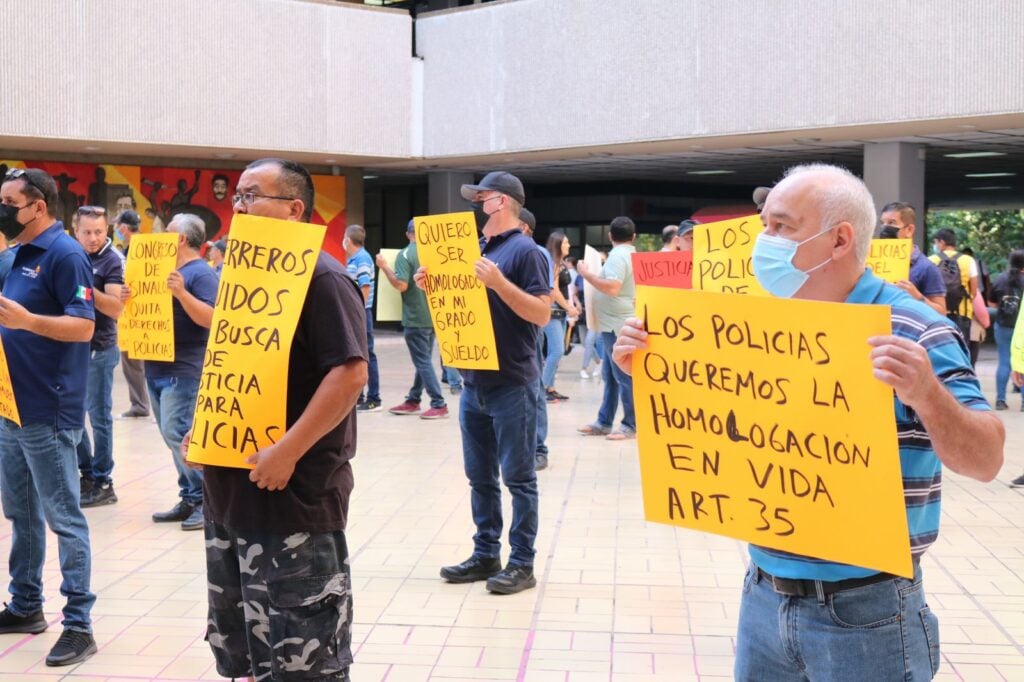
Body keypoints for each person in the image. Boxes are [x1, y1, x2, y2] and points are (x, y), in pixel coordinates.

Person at [614, 163, 1004, 681]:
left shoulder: (914, 329)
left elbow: (987, 459)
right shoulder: (748, 322)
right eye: (764, 226)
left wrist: (927, 393)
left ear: (839, 240)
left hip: (869, 610)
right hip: (762, 594)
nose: (764, 240)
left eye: (781, 227)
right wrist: (650, 368)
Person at [199, 158, 367, 680]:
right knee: (244, 654)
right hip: (229, 495)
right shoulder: (241, 277)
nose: (240, 207)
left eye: (252, 196)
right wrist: (206, 424)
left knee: (302, 658)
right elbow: (235, 365)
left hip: (292, 502)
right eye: (238, 198)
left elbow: (349, 374)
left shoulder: (324, 277)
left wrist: (288, 451)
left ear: (294, 209)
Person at [418, 171, 550, 594]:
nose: (477, 204)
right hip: (472, 381)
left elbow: (542, 314)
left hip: (513, 381)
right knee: (480, 477)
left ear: (502, 202)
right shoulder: (473, 249)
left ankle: (522, 563)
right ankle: (485, 553)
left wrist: (498, 282)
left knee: (519, 478)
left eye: (483, 197)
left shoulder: (526, 251)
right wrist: (432, 286)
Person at [0, 168, 99, 665]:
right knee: (21, 512)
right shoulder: (14, 254)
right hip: (10, 406)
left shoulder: (66, 255)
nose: (3, 209)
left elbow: (83, 328)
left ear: (38, 206)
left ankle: (79, 624)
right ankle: (25, 605)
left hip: (49, 408)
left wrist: (29, 321)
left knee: (64, 517)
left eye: (9, 202)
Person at [136, 213, 217, 531]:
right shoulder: (163, 270)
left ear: (181, 239)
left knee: (178, 432)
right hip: (156, 366)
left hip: (184, 369)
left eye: (167, 232)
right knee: (171, 435)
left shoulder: (200, 274)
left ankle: (205, 499)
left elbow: (212, 318)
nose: (161, 237)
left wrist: (182, 293)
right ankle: (190, 495)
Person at [74, 206, 126, 508]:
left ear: (107, 230)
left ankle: (103, 479)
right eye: (87, 232)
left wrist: (83, 290)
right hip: (71, 346)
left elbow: (115, 308)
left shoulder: (111, 259)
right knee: (72, 415)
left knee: (98, 416)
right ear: (75, 230)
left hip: (99, 349)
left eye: (99, 232)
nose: (93, 238)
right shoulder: (72, 253)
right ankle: (88, 474)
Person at [377, 219, 449, 420]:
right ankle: (413, 399)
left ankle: (438, 402)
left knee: (423, 361)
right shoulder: (433, 254)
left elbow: (401, 285)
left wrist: (384, 267)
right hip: (433, 316)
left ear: (408, 233)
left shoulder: (406, 253)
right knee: (423, 360)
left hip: (415, 317)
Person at [577, 216, 637, 440]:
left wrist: (587, 274)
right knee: (611, 375)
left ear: (610, 236)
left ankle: (630, 424)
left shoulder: (618, 256)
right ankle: (604, 421)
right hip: (615, 323)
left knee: (622, 376)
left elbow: (612, 287)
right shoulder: (630, 255)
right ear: (634, 236)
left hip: (616, 324)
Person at [114, 209, 152, 418]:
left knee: (133, 362)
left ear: (123, 228)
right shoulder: (145, 248)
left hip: (137, 315)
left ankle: (141, 404)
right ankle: (142, 404)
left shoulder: (134, 251)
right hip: (145, 314)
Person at [879, 202, 947, 316]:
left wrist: (917, 296)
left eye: (891, 223)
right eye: (882, 223)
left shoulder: (927, 268)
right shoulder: (873, 263)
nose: (885, 228)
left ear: (909, 230)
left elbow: (941, 312)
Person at [344, 224, 382, 412]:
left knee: (367, 354)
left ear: (348, 240)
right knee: (358, 353)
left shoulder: (362, 259)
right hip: (357, 311)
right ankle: (359, 396)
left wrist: (358, 311)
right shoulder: (356, 259)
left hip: (361, 312)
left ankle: (374, 398)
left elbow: (364, 285)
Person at [542, 231, 577, 402]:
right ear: (557, 245)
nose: (569, 245)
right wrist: (569, 307)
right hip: (552, 312)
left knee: (554, 351)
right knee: (557, 350)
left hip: (560, 312)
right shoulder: (553, 263)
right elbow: (554, 291)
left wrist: (571, 306)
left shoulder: (561, 263)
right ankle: (541, 388)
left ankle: (550, 387)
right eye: (566, 242)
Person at [988, 249, 1024, 411]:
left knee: (1004, 362)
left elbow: (992, 303)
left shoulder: (1000, 279)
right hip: (1021, 328)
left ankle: (1000, 400)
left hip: (1003, 326)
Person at [929, 227, 978, 342]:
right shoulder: (968, 260)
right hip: (962, 313)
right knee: (962, 348)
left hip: (937, 312)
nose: (935, 245)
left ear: (942, 242)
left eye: (936, 242)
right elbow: (974, 292)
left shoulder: (931, 260)